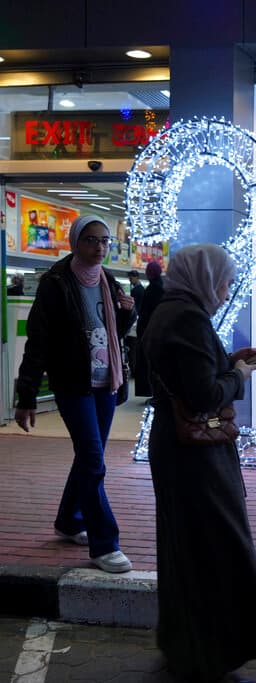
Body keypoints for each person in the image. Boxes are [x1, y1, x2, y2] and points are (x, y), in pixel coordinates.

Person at [143, 243, 256, 681]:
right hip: (195, 456)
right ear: (203, 276)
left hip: (177, 448)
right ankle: (214, 652)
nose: (226, 288)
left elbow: (189, 375)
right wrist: (237, 376)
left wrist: (226, 361)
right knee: (220, 548)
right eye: (223, 279)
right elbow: (204, 395)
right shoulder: (188, 317)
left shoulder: (171, 309)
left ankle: (189, 648)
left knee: (188, 551)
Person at [13, 215, 136, 574]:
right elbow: (38, 342)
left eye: (105, 242)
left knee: (88, 458)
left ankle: (69, 520)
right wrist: (27, 396)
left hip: (105, 383)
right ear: (75, 242)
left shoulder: (108, 281)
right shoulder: (56, 283)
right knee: (94, 460)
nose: (99, 248)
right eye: (92, 240)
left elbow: (114, 330)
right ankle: (105, 544)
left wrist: (128, 315)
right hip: (73, 385)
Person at [134, 259, 164, 397]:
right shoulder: (161, 288)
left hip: (148, 334)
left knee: (148, 365)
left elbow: (146, 314)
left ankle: (152, 393)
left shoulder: (152, 289)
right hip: (158, 333)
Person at [125, 270, 145, 378]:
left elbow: (136, 308)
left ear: (136, 277)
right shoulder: (140, 289)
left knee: (133, 348)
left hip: (135, 324)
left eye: (130, 278)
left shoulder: (138, 290)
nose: (129, 280)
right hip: (137, 323)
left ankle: (133, 370)